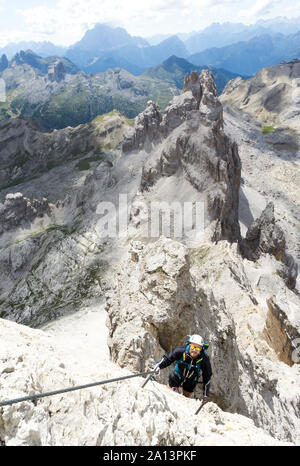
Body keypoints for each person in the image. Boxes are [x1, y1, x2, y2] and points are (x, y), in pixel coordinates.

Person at [154, 334, 212, 401]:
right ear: (189, 345)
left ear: (201, 349)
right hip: (177, 375)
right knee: (168, 393)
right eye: (193, 347)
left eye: (198, 348)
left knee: (185, 398)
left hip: (191, 379)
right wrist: (157, 366)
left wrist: (205, 394)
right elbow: (168, 358)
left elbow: (207, 376)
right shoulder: (181, 351)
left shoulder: (204, 359)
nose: (195, 350)